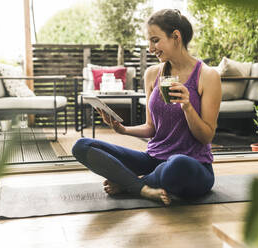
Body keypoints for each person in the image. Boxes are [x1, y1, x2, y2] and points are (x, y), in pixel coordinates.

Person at [72, 9, 221, 205]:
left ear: (176, 36)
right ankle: (144, 188)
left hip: (193, 167)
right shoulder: (152, 74)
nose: (151, 48)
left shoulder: (208, 76)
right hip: (153, 159)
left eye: (155, 40)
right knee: (82, 146)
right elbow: (151, 127)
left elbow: (206, 137)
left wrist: (187, 106)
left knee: (177, 163)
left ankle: (130, 185)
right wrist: (122, 130)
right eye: (149, 42)